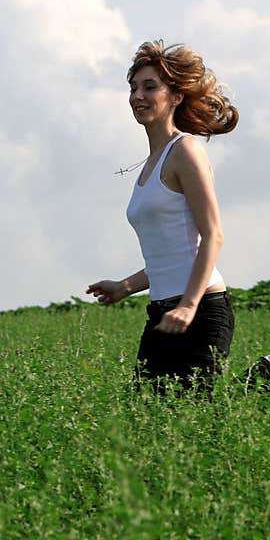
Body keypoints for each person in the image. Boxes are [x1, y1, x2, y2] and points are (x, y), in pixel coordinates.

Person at [86, 40, 238, 399]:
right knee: (148, 417)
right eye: (133, 87)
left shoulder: (185, 151)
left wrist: (188, 303)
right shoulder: (149, 165)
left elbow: (213, 236)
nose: (138, 95)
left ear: (176, 96)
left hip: (199, 310)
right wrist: (125, 286)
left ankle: (266, 385)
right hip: (161, 313)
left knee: (193, 419)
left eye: (150, 87)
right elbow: (171, 254)